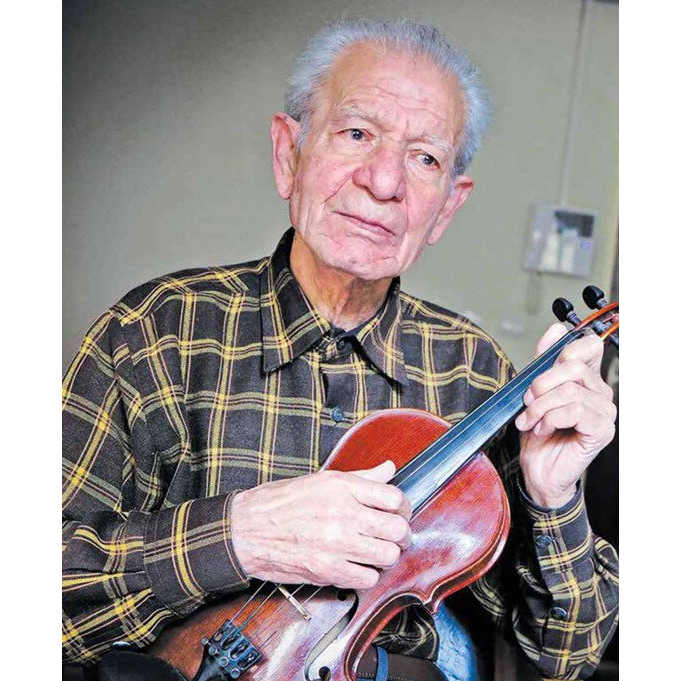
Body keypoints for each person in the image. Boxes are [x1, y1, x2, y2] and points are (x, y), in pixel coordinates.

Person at [62, 18, 619, 681]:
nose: (384, 181)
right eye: (356, 133)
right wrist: (238, 535)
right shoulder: (155, 330)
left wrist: (552, 494)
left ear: (445, 208)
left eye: (425, 158)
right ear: (288, 154)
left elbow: (566, 654)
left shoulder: (472, 369)